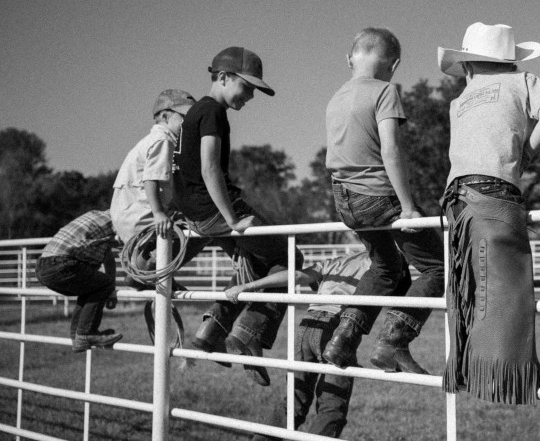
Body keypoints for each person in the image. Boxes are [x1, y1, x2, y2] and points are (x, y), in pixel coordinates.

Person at [438, 22, 540, 404]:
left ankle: (471, 366)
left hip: (456, 198)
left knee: (469, 286)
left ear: (469, 66)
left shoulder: (459, 102)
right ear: (509, 62)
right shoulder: (523, 81)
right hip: (495, 190)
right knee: (510, 286)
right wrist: (525, 154)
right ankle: (515, 372)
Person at [173, 46, 303, 386]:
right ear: (223, 77)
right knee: (292, 259)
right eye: (246, 87)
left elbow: (184, 173)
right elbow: (209, 167)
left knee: (259, 263)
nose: (249, 96)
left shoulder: (194, 114)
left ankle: (211, 330)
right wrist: (231, 220)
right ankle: (247, 334)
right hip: (217, 210)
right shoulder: (213, 112)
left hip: (198, 213)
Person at [321, 28, 444, 375]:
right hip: (378, 196)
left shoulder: (336, 97)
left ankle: (343, 340)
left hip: (345, 201)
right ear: (395, 63)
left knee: (387, 268)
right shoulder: (385, 90)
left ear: (349, 59)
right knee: (439, 266)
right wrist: (408, 206)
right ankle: (393, 343)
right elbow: (390, 149)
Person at [225, 251, 399, 440]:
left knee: (294, 402)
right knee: (332, 407)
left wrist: (248, 286)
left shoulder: (338, 261)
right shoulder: (382, 261)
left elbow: (297, 275)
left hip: (307, 325)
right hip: (338, 328)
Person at [110, 89, 199, 289]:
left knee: (177, 226)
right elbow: (151, 179)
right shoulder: (164, 140)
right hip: (140, 212)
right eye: (185, 118)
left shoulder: (150, 141)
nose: (190, 124)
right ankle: (149, 271)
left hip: (127, 212)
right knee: (199, 230)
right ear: (166, 117)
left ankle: (149, 272)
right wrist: (159, 213)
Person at [35, 210, 123, 352]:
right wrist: (110, 289)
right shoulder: (118, 220)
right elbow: (128, 239)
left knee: (91, 286)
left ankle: (77, 335)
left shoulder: (97, 219)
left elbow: (109, 261)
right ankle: (86, 334)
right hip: (60, 263)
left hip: (43, 266)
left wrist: (111, 292)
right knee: (103, 284)